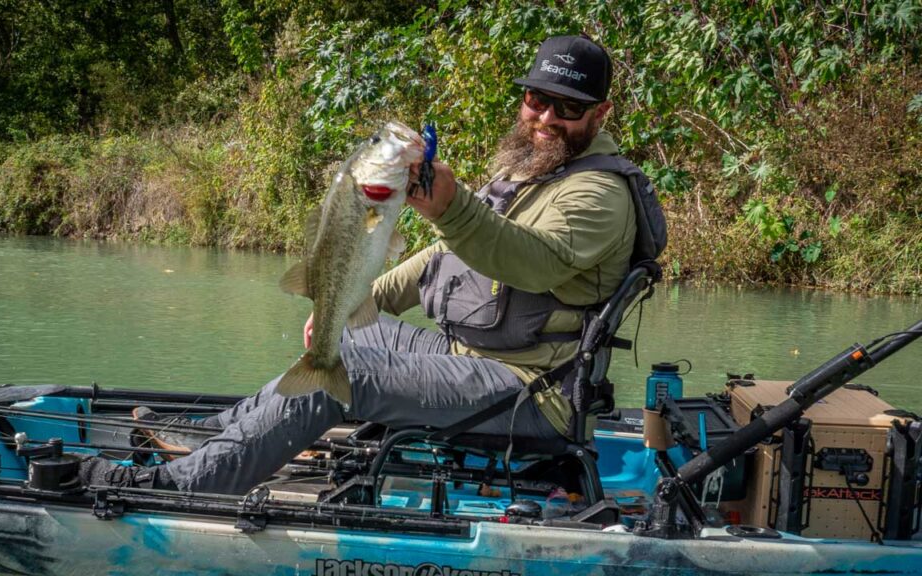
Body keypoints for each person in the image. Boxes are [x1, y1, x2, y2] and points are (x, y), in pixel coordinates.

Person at [80, 34, 640, 494]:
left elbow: (534, 265)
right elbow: (447, 257)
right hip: (476, 354)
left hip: (532, 390)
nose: (546, 117)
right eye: (536, 99)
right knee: (342, 340)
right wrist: (360, 300)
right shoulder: (535, 170)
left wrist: (452, 207)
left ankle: (172, 487)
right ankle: (215, 438)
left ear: (601, 112)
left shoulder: (597, 194)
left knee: (339, 381)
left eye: (567, 107)